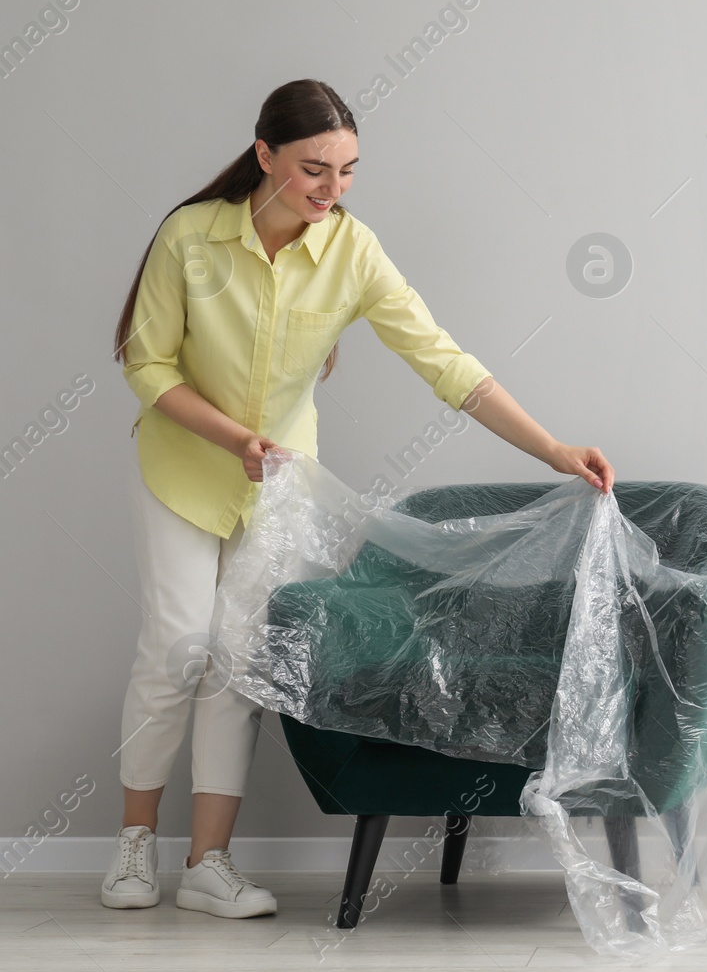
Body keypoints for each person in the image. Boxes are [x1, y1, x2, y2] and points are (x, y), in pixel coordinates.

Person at [104, 78, 614, 917]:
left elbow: (447, 364)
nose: (331, 190)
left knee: (240, 661)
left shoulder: (353, 251)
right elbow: (147, 365)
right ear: (264, 154)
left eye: (347, 171)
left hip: (279, 485)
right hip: (184, 469)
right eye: (313, 169)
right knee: (177, 645)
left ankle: (207, 861)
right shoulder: (190, 240)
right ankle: (131, 845)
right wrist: (234, 438)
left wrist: (555, 449)